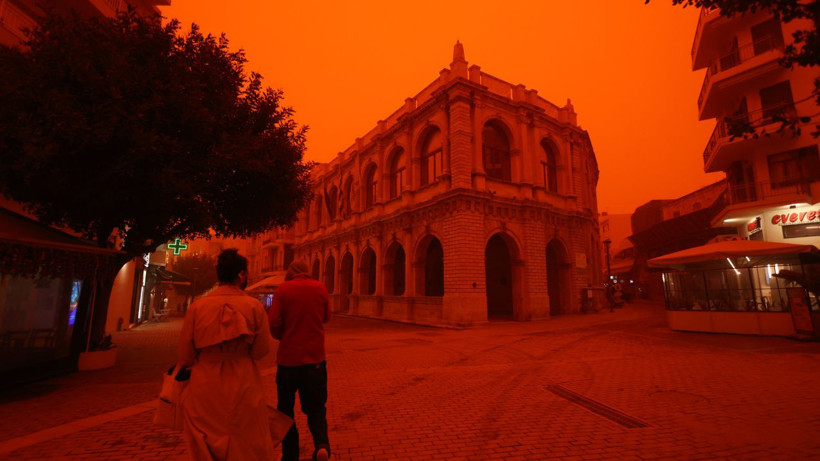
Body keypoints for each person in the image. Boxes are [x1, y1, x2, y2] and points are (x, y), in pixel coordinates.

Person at [177, 249, 275, 460]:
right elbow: (261, 351)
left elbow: (185, 356)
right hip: (243, 380)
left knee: (205, 440)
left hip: (205, 382)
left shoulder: (197, 307)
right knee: (245, 439)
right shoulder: (253, 306)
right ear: (241, 275)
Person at [269, 260, 331, 461]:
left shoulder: (283, 290)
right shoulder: (320, 287)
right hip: (315, 360)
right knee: (316, 407)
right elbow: (326, 317)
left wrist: (281, 335)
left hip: (288, 361)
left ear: (290, 273)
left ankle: (290, 455)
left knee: (285, 410)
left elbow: (274, 322)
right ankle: (321, 445)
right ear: (307, 272)